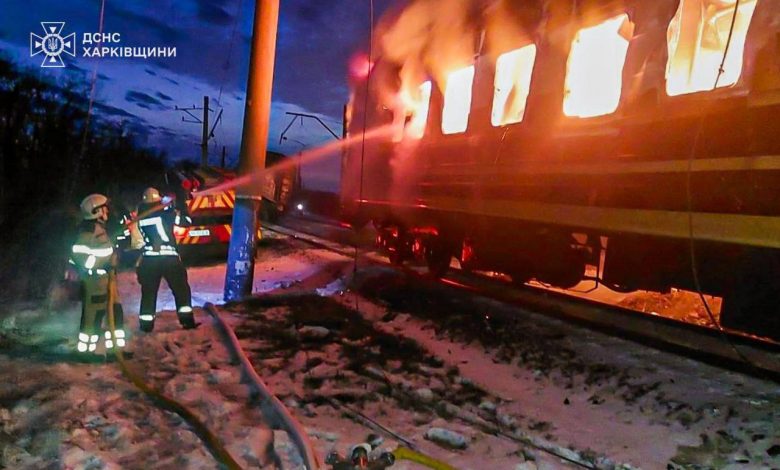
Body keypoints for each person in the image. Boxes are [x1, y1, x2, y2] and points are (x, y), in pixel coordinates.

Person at [68, 194, 127, 358]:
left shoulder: (100, 229)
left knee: (115, 313)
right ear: (96, 211)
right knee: (93, 317)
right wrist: (103, 262)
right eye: (105, 208)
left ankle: (116, 349)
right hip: (95, 281)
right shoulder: (88, 232)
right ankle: (85, 352)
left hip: (106, 279)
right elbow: (82, 258)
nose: (108, 211)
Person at [134, 187, 195, 332]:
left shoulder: (141, 216)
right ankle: (187, 321)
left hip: (149, 260)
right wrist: (181, 206)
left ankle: (146, 326)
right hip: (169, 259)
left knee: (148, 293)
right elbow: (186, 221)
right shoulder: (165, 214)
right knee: (181, 290)